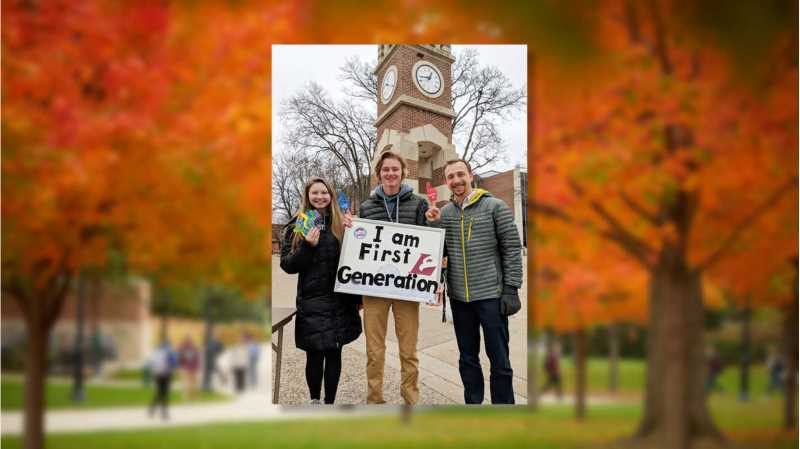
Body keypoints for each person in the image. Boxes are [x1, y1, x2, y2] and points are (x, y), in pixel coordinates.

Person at [426, 159, 522, 404]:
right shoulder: (445, 212)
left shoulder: (495, 206)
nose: (456, 180)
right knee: (467, 358)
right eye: (450, 177)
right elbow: (439, 251)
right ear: (446, 182)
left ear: (470, 175)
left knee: (499, 359)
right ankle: (473, 404)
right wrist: (434, 224)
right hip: (459, 300)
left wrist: (511, 288)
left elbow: (512, 248)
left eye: (460, 174)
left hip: (492, 296)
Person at [280, 176, 362, 404]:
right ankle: (315, 400)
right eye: (314, 193)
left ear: (331, 196)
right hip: (312, 302)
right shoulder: (298, 224)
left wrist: (355, 234)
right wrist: (307, 246)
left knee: (335, 354)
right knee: (314, 356)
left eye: (324, 192)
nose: (320, 197)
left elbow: (354, 262)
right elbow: (288, 265)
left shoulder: (341, 223)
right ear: (307, 196)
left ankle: (329, 402)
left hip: (340, 302)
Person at [357, 151, 430, 405]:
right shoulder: (366, 207)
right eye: (385, 170)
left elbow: (428, 243)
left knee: (409, 350)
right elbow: (360, 249)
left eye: (395, 169)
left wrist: (433, 223)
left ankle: (411, 399)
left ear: (403, 173)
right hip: (375, 288)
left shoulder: (419, 204)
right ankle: (374, 400)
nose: (390, 174)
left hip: (407, 288)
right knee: (374, 351)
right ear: (379, 174)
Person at [148, 339, 178, 420]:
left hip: (157, 375)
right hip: (166, 374)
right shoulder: (169, 352)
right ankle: (164, 413)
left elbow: (151, 363)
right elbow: (174, 363)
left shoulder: (156, 352)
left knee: (159, 392)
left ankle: (152, 409)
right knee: (164, 393)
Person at [178, 336, 200, 400]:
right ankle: (189, 396)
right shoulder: (183, 349)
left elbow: (197, 359)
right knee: (189, 383)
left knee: (191, 383)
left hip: (189, 368)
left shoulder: (193, 349)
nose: (189, 343)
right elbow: (180, 359)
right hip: (187, 368)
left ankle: (190, 396)